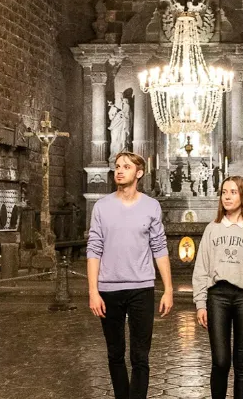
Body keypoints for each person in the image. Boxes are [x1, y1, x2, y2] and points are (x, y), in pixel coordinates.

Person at [87, 151, 174, 399]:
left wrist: (168, 289)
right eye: (117, 166)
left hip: (141, 288)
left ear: (139, 173)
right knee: (115, 354)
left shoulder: (151, 206)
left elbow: (159, 248)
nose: (119, 170)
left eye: (126, 166)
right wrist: (93, 291)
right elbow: (94, 249)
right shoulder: (102, 207)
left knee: (140, 356)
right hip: (109, 289)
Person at [192, 175, 243, 399]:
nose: (227, 197)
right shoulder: (213, 229)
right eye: (224, 192)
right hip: (217, 297)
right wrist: (200, 303)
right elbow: (201, 267)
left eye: (233, 192)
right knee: (220, 361)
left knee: (242, 362)